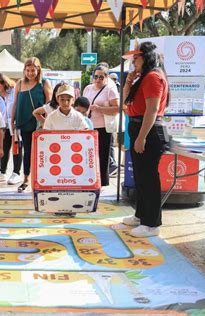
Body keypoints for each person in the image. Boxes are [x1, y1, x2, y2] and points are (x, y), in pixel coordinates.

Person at [121, 41, 170, 238]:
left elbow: (152, 109)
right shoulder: (142, 78)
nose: (133, 62)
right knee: (140, 177)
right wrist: (128, 82)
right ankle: (141, 216)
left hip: (147, 130)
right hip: (138, 127)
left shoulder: (152, 77)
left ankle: (152, 223)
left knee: (148, 178)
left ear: (146, 58)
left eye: (136, 58)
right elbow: (126, 103)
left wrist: (141, 137)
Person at [11, 57, 52, 193]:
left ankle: (44, 177)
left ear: (38, 69)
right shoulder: (20, 83)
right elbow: (15, 103)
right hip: (23, 122)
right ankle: (26, 178)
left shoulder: (44, 83)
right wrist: (12, 120)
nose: (30, 73)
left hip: (39, 122)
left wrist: (46, 122)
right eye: (28, 70)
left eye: (33, 70)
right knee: (27, 151)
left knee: (42, 152)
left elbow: (50, 104)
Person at [83, 63, 120, 187]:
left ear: (106, 78)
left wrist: (99, 108)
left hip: (103, 127)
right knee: (89, 155)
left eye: (101, 77)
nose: (98, 79)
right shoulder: (88, 88)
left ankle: (103, 183)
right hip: (88, 126)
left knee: (103, 156)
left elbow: (117, 108)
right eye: (96, 76)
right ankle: (90, 179)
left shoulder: (110, 89)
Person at [0, 73, 22, 185]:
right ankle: (2, 172)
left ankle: (16, 173)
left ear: (4, 83)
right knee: (3, 148)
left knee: (16, 148)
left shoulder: (13, 91)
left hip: (15, 124)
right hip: (2, 125)